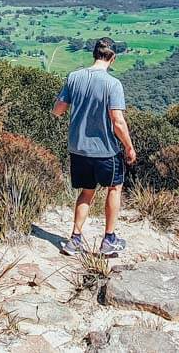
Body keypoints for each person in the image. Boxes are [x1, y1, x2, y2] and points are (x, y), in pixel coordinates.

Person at [52, 37, 137, 256]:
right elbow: (117, 121)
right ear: (113, 58)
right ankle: (108, 239)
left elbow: (59, 109)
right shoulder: (112, 84)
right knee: (114, 187)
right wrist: (129, 147)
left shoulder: (74, 77)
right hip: (105, 149)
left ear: (94, 54)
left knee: (86, 192)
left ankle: (75, 239)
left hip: (78, 148)